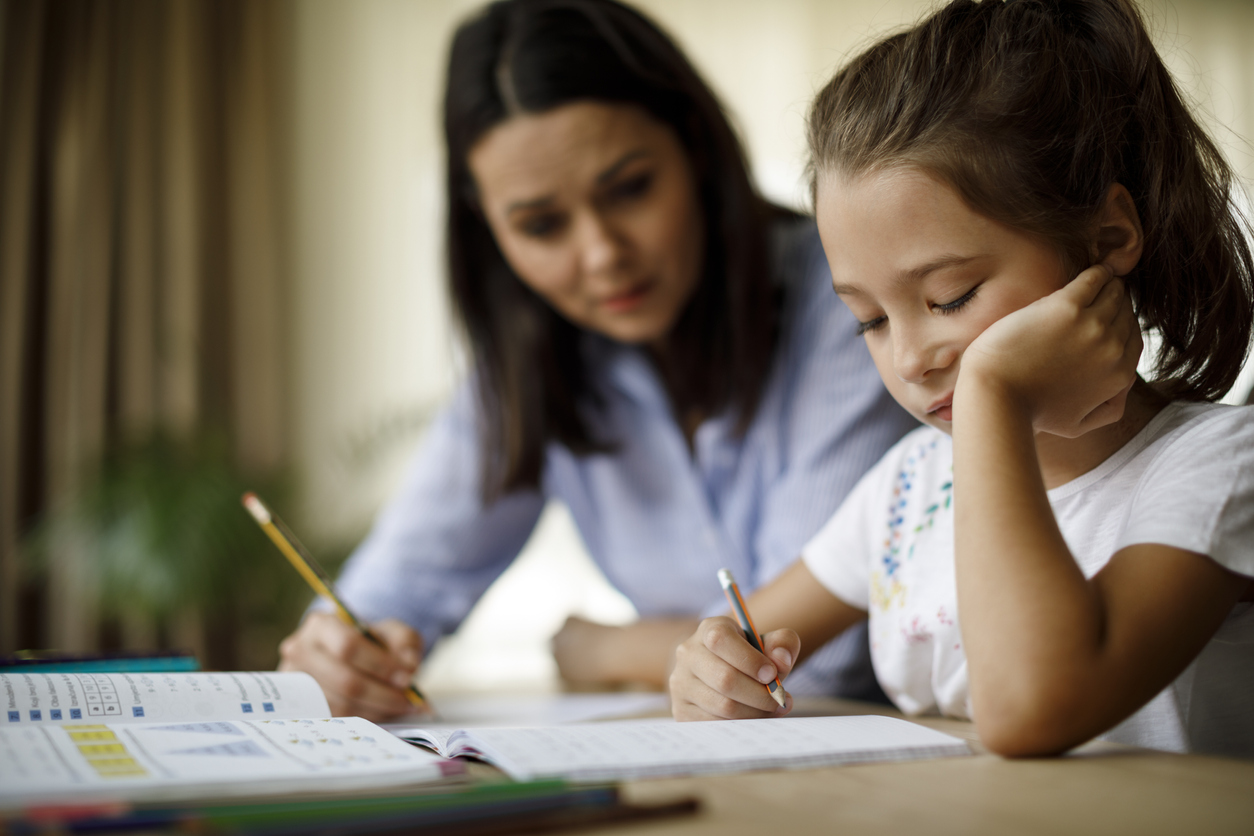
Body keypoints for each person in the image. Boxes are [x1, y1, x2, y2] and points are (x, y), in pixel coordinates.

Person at [277, 0, 917, 720]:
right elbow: (390, 594)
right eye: (542, 226)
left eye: (630, 189)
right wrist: (337, 653)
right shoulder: (530, 366)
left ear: (696, 149)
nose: (603, 254)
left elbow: (813, 657)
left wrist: (602, 650)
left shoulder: (850, 305)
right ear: (489, 230)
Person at [669, 0, 1254, 758]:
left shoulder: (1218, 467)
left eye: (949, 298)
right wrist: (712, 670)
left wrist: (994, 396)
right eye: (870, 321)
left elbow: (1029, 709)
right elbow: (740, 643)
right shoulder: (907, 491)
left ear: (1107, 241)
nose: (910, 358)